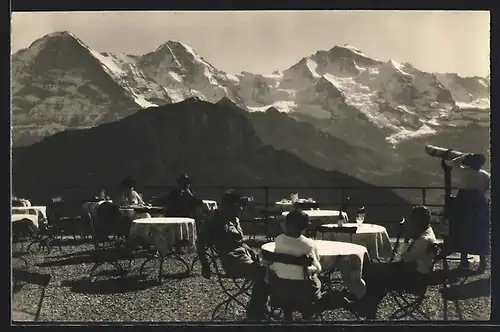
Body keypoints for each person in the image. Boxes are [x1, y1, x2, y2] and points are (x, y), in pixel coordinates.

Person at [349, 205, 438, 317]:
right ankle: (366, 305)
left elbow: (404, 258)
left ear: (417, 223)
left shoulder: (423, 240)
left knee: (375, 274)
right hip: (414, 274)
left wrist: (406, 238)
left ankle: (364, 304)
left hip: (414, 280)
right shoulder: (427, 234)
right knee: (375, 272)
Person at [197, 190, 269, 320]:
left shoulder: (233, 218)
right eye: (239, 206)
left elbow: (239, 242)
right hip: (232, 261)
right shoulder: (216, 221)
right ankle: (255, 309)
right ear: (229, 206)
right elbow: (200, 242)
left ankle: (260, 306)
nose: (241, 209)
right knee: (265, 272)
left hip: (243, 256)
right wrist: (205, 265)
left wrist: (252, 252)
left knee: (271, 266)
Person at [269, 209, 323, 318]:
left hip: (281, 289)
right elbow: (318, 268)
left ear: (287, 224)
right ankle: (309, 316)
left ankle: (287, 316)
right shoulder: (309, 245)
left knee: (287, 275)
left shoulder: (278, 240)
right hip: (304, 292)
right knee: (317, 278)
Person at [445, 152, 490, 273]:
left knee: (463, 230)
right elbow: (487, 189)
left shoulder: (464, 172)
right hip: (478, 203)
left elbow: (453, 162)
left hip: (464, 202)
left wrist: (464, 156)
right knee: (479, 232)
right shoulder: (485, 175)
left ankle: (464, 261)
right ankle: (482, 263)